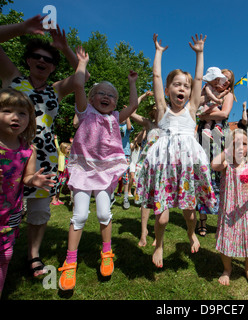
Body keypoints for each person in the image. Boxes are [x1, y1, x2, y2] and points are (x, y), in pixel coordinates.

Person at [0, 16, 89, 277]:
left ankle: (33, 255)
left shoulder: (56, 90)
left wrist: (65, 48)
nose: (42, 61)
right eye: (37, 57)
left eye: (49, 60)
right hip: (10, 152)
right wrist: (22, 28)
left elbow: (82, 77)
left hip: (45, 157)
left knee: (39, 209)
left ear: (53, 67)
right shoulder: (12, 79)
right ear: (28, 60)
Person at [57, 47, 139, 291]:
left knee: (104, 214)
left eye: (111, 95)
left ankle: (106, 252)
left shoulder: (115, 117)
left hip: (104, 171)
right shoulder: (84, 113)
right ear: (92, 99)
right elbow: (79, 86)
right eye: (101, 93)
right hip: (83, 169)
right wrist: (81, 64)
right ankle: (70, 262)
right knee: (80, 216)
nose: (106, 97)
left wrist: (132, 83)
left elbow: (133, 105)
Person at [135, 34, 216, 268]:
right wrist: (158, 53)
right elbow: (157, 77)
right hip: (164, 166)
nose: (182, 88)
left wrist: (199, 53)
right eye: (177, 84)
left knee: (189, 212)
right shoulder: (162, 110)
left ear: (191, 93)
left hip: (188, 165)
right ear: (169, 89)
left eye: (186, 86)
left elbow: (199, 77)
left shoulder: (192, 109)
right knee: (163, 214)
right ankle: (158, 243)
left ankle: (191, 233)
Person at [0, 88, 55, 297]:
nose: (16, 117)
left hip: (10, 212)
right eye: (7, 111)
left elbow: (26, 177)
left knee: (5, 255)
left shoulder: (28, 150)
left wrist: (35, 180)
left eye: (22, 113)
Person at [212, 129, 248, 287]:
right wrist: (227, 150)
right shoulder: (226, 165)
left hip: (247, 212)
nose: (241, 147)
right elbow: (213, 165)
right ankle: (227, 269)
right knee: (226, 240)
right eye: (237, 144)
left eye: (244, 144)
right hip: (228, 212)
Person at [196, 68, 236, 236]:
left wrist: (204, 116)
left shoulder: (228, 95)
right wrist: (202, 114)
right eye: (223, 78)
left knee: (221, 176)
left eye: (228, 80)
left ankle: (223, 219)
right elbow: (196, 106)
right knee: (203, 174)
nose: (225, 81)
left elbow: (224, 113)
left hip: (220, 137)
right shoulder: (206, 90)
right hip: (203, 135)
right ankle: (202, 220)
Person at [130, 93, 160, 247]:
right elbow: (130, 112)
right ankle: (143, 232)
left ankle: (157, 234)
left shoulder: (170, 127)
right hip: (147, 165)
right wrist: (141, 96)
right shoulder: (149, 124)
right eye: (155, 110)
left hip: (162, 167)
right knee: (145, 199)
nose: (158, 112)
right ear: (152, 112)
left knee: (160, 199)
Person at [197, 67, 228, 139]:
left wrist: (224, 93)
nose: (217, 81)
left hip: (206, 107)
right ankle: (218, 125)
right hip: (207, 106)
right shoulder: (208, 86)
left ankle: (207, 130)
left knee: (209, 121)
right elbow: (210, 95)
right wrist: (217, 101)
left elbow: (218, 96)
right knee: (218, 112)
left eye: (218, 80)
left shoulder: (213, 87)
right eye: (215, 79)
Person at [118, 109, 134, 209]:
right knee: (113, 176)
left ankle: (125, 198)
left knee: (125, 176)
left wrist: (128, 115)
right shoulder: (116, 126)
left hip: (125, 154)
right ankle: (110, 197)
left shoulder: (126, 126)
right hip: (115, 154)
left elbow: (129, 127)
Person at [51, 135, 71, 206]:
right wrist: (56, 139)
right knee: (56, 186)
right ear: (63, 149)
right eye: (68, 149)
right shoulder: (61, 154)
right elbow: (57, 147)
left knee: (60, 186)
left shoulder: (67, 156)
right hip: (60, 173)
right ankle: (53, 200)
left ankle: (57, 198)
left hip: (65, 174)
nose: (69, 150)